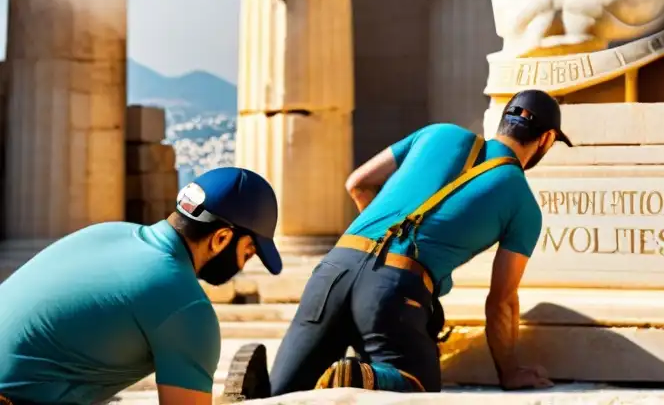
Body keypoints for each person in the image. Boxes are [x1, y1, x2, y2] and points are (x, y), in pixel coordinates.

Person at [267, 89, 570, 395]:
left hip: (333, 268)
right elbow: (501, 301)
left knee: (284, 394)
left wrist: (376, 244)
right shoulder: (522, 202)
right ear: (545, 139)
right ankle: (357, 379)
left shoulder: (436, 133)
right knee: (419, 385)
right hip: (395, 286)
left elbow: (358, 183)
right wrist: (510, 371)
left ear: (503, 122)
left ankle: (259, 387)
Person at [0, 167, 282, 405]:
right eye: (248, 253)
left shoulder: (105, 232)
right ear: (221, 238)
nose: (243, 266)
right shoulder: (185, 305)